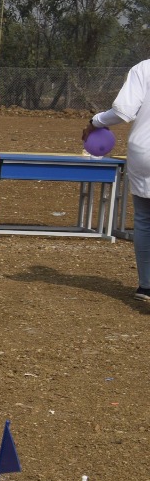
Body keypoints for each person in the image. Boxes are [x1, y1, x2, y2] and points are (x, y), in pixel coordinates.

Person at [85, 59, 150, 301]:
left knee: (145, 220)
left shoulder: (144, 68)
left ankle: (146, 286)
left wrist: (94, 122)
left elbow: (123, 112)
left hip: (145, 151)